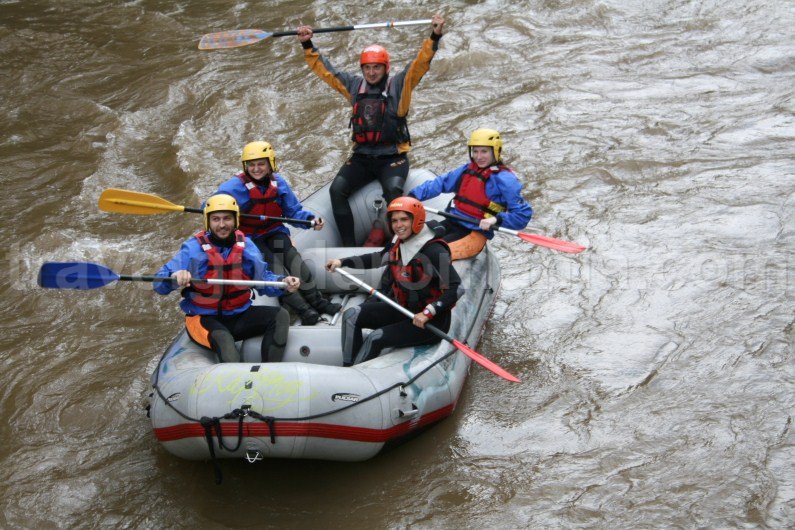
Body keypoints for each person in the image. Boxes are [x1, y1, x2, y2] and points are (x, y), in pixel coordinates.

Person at [296, 15, 446, 246]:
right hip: (362, 157)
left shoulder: (400, 85)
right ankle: (347, 246)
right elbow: (327, 72)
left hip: (393, 158)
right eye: (367, 68)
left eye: (377, 67)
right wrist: (307, 44)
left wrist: (434, 36)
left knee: (394, 192)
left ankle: (399, 244)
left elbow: (420, 63)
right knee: (337, 191)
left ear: (385, 68)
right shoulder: (355, 86)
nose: (372, 72)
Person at [154, 194, 301, 363]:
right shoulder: (192, 249)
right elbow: (159, 284)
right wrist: (174, 276)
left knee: (280, 316)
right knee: (224, 340)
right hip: (204, 319)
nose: (222, 225)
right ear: (208, 222)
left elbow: (263, 280)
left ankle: (269, 371)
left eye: (227, 219)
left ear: (236, 220)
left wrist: (283, 282)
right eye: (216, 219)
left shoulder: (247, 246)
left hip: (239, 315)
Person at [213, 141, 341, 325]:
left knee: (295, 261)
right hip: (248, 237)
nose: (256, 169)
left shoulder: (278, 183)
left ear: (270, 164)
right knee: (275, 268)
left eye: (261, 164)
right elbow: (211, 208)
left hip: (273, 230)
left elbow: (293, 211)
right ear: (245, 166)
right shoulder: (233, 188)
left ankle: (317, 301)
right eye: (251, 164)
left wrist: (310, 221)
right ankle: (304, 311)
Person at [326, 197, 462, 366]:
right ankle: (349, 366)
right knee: (351, 316)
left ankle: (352, 375)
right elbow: (377, 258)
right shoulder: (398, 243)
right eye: (394, 221)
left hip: (430, 322)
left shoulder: (434, 250)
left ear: (416, 220)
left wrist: (429, 312)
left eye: (404, 219)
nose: (399, 225)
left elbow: (457, 288)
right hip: (403, 310)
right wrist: (343, 262)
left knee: (376, 338)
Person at [407, 128, 533, 260]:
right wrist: (412, 197)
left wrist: (496, 219)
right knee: (409, 242)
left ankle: (446, 280)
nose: (478, 157)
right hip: (452, 222)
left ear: (495, 151)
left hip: (475, 233)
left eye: (484, 151)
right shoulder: (467, 169)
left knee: (432, 255)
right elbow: (440, 183)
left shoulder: (506, 180)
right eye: (475, 151)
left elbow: (522, 216)